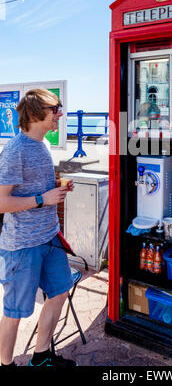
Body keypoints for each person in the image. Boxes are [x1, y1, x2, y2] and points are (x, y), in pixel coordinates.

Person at [0, 89, 76, 367]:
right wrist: (43, 199)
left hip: (49, 238)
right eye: (55, 108)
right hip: (22, 245)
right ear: (36, 114)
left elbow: (35, 191)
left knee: (59, 292)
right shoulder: (15, 150)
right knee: (15, 311)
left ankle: (42, 356)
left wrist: (56, 189)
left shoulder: (41, 145)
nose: (60, 114)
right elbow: (1, 202)